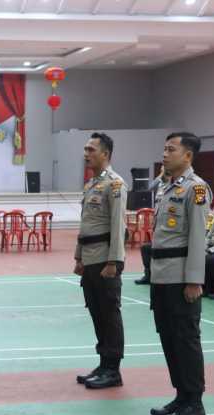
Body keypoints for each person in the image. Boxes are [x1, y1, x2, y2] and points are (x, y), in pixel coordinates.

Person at [149, 132, 211, 415]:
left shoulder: (196, 189)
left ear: (188, 155)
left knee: (186, 339)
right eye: (164, 148)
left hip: (181, 276)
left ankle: (195, 403)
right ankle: (181, 395)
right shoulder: (165, 187)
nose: (165, 153)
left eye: (171, 149)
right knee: (168, 337)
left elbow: (199, 237)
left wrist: (194, 280)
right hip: (162, 275)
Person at [73, 132, 128, 389]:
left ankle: (113, 369)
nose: (86, 153)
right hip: (91, 257)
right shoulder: (92, 184)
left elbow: (118, 226)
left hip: (106, 259)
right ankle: (104, 363)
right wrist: (78, 256)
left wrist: (114, 262)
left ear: (105, 153)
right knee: (96, 312)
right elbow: (86, 224)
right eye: (85, 149)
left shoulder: (115, 184)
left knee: (109, 313)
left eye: (91, 149)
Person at [135, 168, 172, 285]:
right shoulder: (160, 184)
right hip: (158, 224)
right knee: (146, 248)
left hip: (169, 226)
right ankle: (148, 275)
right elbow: (149, 189)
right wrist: (161, 174)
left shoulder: (174, 186)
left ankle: (162, 276)